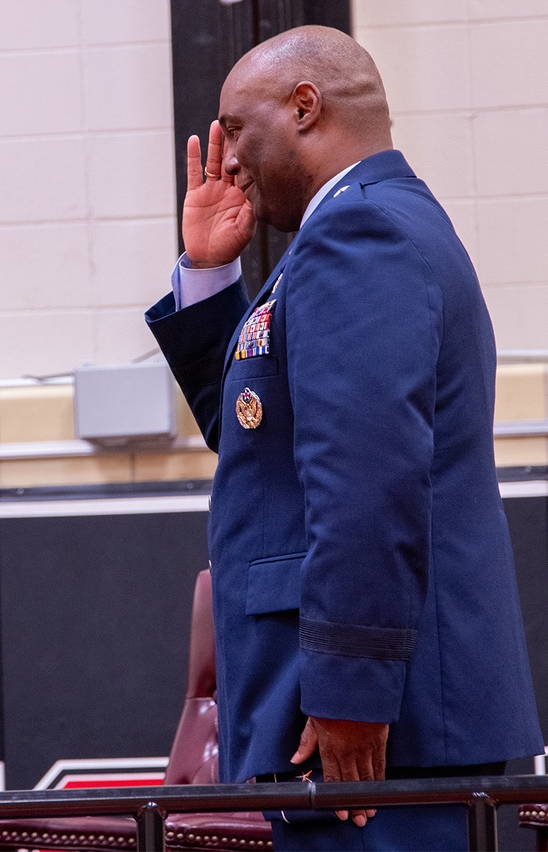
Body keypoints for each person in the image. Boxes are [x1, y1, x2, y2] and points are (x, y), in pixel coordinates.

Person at [145, 25, 543, 850]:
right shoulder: (360, 231)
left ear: (304, 107)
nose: (225, 157)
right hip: (375, 719)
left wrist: (354, 693)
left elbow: (367, 480)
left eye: (236, 127)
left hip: (375, 732)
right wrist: (212, 274)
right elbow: (259, 434)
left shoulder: (362, 236)